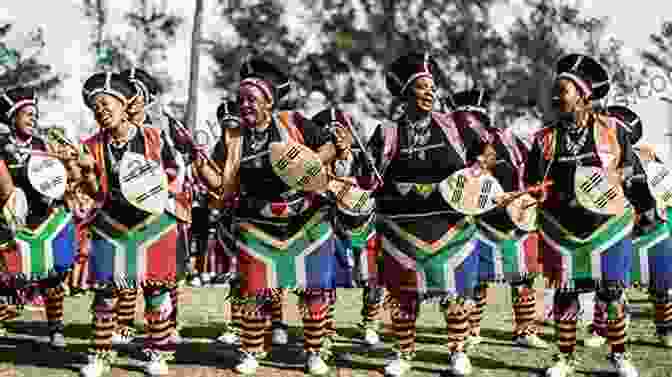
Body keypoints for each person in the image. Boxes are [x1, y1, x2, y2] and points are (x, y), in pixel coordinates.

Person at [193, 55, 349, 375]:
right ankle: (252, 350)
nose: (244, 105)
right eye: (240, 100)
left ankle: (315, 351)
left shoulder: (295, 123)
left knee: (314, 289)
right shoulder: (233, 139)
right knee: (254, 289)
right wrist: (200, 165)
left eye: (251, 99)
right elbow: (224, 187)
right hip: (257, 224)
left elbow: (330, 148)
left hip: (306, 220)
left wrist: (324, 156)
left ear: (268, 101)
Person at [524, 54, 642, 377]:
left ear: (583, 95)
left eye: (562, 90)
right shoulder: (544, 139)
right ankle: (564, 358)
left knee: (612, 291)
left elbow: (633, 169)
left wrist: (625, 184)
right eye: (555, 90)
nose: (555, 96)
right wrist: (536, 192)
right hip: (561, 229)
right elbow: (533, 182)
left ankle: (619, 355)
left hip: (607, 226)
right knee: (564, 292)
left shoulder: (612, 131)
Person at [368, 51, 483, 376]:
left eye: (432, 87)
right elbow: (367, 177)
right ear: (405, 94)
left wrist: (476, 173)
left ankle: (458, 351)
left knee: (454, 292)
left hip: (451, 225)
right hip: (399, 231)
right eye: (421, 86)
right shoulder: (387, 133)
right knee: (404, 297)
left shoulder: (457, 126)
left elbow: (486, 153)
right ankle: (403, 354)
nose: (430, 92)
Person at [78, 71, 183, 377]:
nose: (101, 110)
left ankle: (158, 355)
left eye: (106, 103)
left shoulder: (155, 136)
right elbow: (95, 191)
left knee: (156, 292)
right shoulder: (92, 145)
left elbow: (176, 171)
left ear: (124, 105)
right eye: (95, 106)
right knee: (106, 293)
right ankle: (99, 355)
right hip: (112, 224)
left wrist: (157, 186)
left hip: (155, 224)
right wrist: (84, 172)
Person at [448, 88, 549, 350]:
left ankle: (524, 330)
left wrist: (530, 197)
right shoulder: (458, 148)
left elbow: (533, 174)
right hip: (478, 223)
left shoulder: (511, 141)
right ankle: (472, 329)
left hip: (518, 221)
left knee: (523, 276)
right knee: (477, 278)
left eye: (472, 120)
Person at [584, 106, 671, 349]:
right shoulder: (597, 159)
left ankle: (666, 329)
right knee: (608, 285)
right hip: (615, 230)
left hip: (651, 229)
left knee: (661, 284)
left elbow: (661, 195)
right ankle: (603, 329)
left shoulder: (647, 157)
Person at [0, 87, 78, 349]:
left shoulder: (44, 145)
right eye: (27, 114)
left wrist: (68, 170)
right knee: (9, 282)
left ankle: (55, 329)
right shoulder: (1, 147)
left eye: (35, 114)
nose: (33, 119)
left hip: (46, 219)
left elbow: (61, 179)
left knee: (53, 278)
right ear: (13, 117)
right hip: (12, 223)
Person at [118, 67, 188, 345]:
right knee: (126, 267)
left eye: (136, 93)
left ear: (146, 98)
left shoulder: (165, 125)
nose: (131, 99)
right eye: (126, 93)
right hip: (126, 208)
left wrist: (168, 188)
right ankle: (123, 325)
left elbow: (185, 158)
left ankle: (169, 325)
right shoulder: (113, 128)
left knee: (166, 269)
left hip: (167, 203)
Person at [311, 107, 385, 349]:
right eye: (331, 135)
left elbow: (376, 184)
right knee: (325, 278)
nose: (338, 138)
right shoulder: (315, 164)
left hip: (367, 224)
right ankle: (325, 326)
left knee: (373, 278)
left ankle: (371, 323)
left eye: (342, 132)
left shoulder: (366, 161)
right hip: (331, 225)